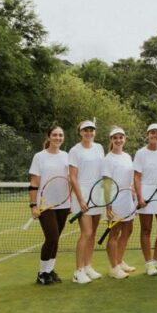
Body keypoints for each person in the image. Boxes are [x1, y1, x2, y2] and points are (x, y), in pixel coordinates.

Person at [29, 125, 71, 285]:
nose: (58, 138)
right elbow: (34, 182)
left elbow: (71, 180)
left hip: (64, 204)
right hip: (45, 205)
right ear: (49, 137)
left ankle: (50, 270)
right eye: (55, 135)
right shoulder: (39, 157)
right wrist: (33, 205)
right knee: (51, 237)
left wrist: (71, 202)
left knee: (56, 238)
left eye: (60, 135)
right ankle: (41, 273)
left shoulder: (66, 156)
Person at [133, 123, 157, 276]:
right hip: (145, 192)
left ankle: (156, 260)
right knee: (146, 229)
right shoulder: (140, 153)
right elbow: (137, 177)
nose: (155, 135)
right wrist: (140, 197)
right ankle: (149, 263)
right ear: (148, 134)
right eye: (153, 132)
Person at [69, 120, 105, 284]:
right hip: (82, 196)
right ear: (80, 132)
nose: (89, 133)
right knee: (87, 233)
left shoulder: (99, 148)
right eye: (85, 130)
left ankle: (88, 266)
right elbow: (73, 177)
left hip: (98, 195)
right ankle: (78, 271)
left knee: (93, 233)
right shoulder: (74, 151)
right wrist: (80, 199)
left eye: (91, 130)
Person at [102, 126, 137, 279]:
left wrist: (133, 192)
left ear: (124, 139)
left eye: (121, 137)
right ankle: (113, 267)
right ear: (111, 140)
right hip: (114, 200)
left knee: (128, 231)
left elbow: (131, 177)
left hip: (128, 198)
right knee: (114, 233)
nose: (118, 140)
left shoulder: (127, 156)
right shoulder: (108, 159)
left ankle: (120, 261)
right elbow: (106, 184)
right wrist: (108, 205)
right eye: (115, 138)